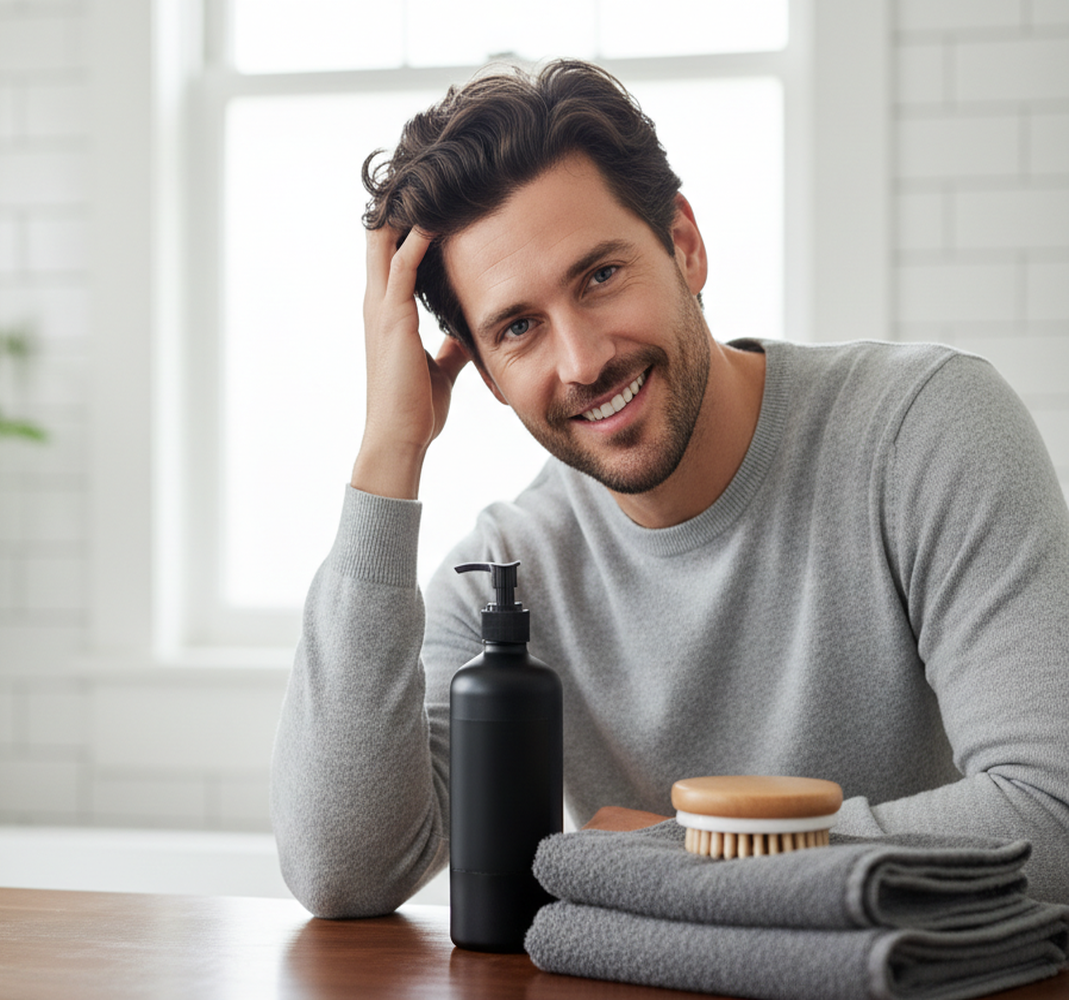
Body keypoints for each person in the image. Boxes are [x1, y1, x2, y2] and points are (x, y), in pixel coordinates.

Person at [269, 59, 1069, 918]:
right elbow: (343, 871)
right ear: (490, 377)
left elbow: (1052, 819)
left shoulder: (926, 430)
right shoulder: (510, 574)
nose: (583, 361)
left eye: (600, 276)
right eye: (520, 327)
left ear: (684, 245)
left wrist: (663, 854)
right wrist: (389, 449)